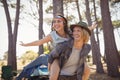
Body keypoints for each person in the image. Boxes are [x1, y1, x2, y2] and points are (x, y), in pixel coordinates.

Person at [18, 14, 97, 80]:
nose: (56, 23)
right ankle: (21, 76)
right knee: (42, 57)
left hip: (68, 57)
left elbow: (81, 31)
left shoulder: (70, 32)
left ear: (64, 23)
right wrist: (25, 44)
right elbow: (39, 42)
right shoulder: (52, 35)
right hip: (56, 57)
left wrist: (91, 28)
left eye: (59, 21)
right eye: (54, 22)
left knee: (85, 69)